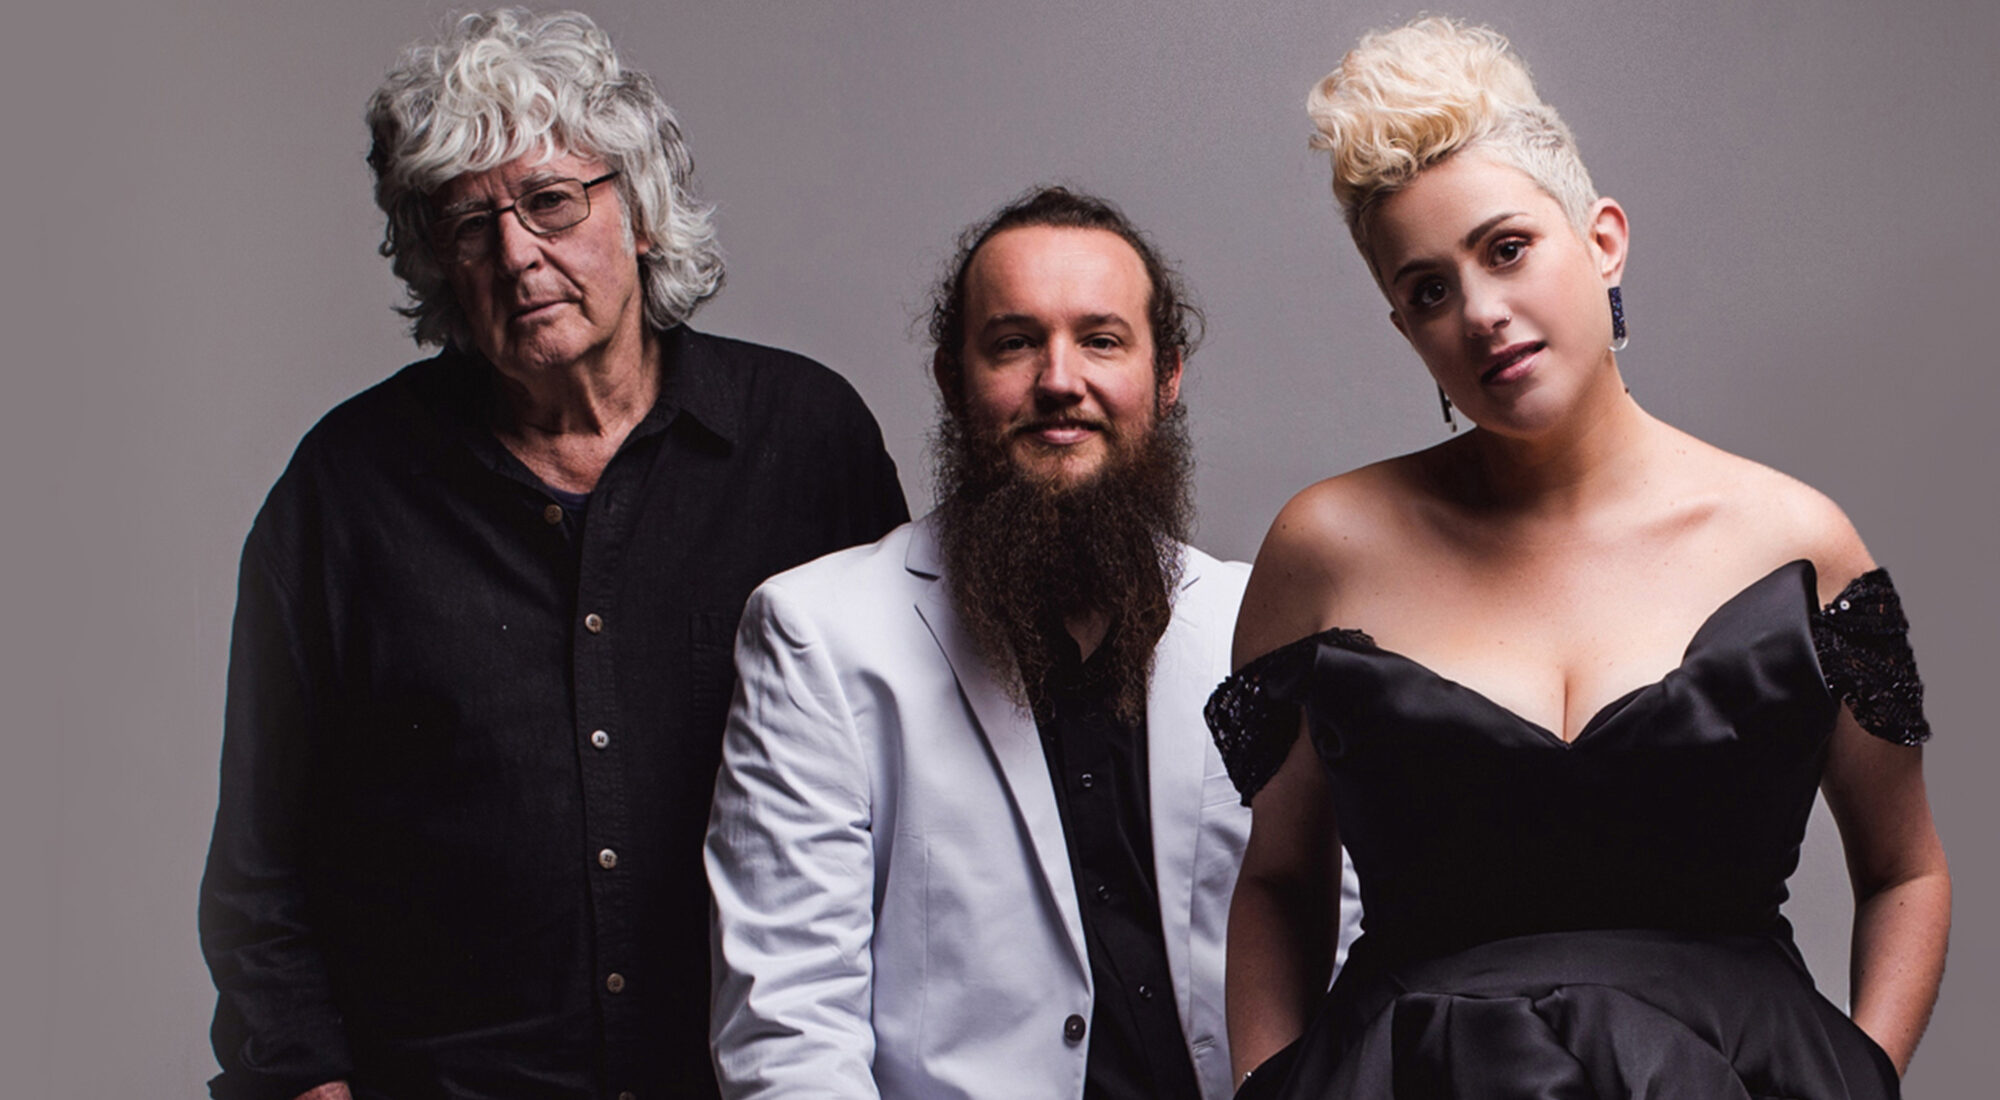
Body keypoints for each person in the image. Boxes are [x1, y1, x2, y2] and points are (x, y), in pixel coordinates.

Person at [1209, 16, 1949, 1099]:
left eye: (1505, 248)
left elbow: (1906, 868)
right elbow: (1276, 878)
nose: (1480, 313)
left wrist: (1852, 1075)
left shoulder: (1796, 544)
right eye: (1426, 291)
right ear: (1402, 328)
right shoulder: (1324, 546)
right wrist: (1269, 1086)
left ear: (1601, 238)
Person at [197, 10, 907, 1100]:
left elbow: (916, 789)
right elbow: (260, 875)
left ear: (641, 209)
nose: (516, 253)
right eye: (467, 223)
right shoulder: (340, 494)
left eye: (549, 200)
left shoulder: (806, 443)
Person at [705, 186, 1361, 1100]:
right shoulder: (817, 635)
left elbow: (1348, 954)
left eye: (1101, 340)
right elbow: (789, 1030)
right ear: (951, 378)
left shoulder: (1260, 620)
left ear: (1166, 377)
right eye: (1014, 342)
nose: (1060, 380)